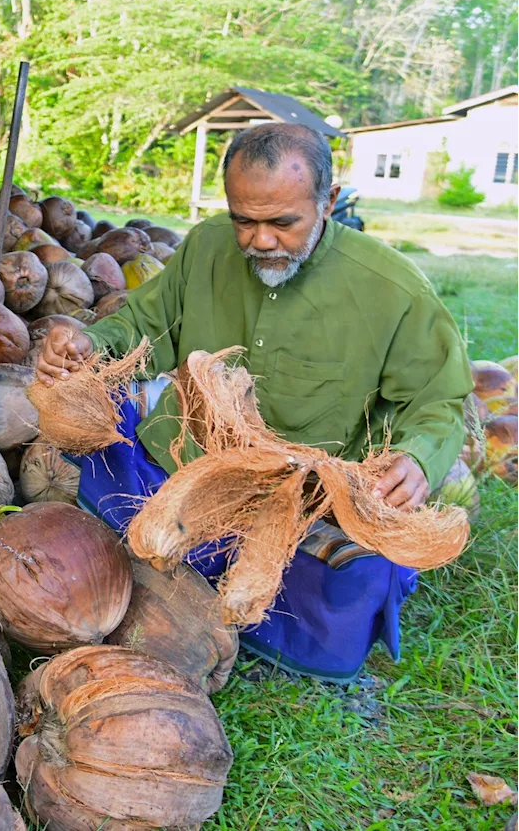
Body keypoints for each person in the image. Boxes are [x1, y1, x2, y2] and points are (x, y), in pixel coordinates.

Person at [36, 123, 472, 681]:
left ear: (328, 202)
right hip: (190, 464)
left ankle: (208, 576)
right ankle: (183, 556)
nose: (260, 240)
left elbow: (436, 402)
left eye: (282, 222)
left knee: (361, 576)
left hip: (304, 498)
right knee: (104, 432)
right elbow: (144, 326)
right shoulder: (207, 246)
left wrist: (415, 457)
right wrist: (87, 348)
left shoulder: (394, 290)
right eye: (245, 220)